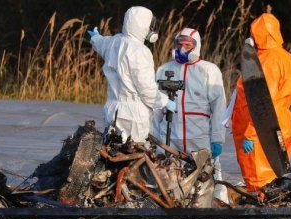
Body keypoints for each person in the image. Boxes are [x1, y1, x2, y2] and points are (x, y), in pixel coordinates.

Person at [152, 27, 227, 203]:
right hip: (170, 137)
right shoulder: (164, 70)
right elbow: (154, 108)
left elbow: (219, 107)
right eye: (180, 44)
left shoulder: (209, 70)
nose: (183, 48)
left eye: (188, 44)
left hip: (199, 136)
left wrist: (217, 138)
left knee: (209, 176)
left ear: (197, 46)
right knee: (166, 179)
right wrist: (153, 138)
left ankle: (221, 211)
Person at [231, 13, 291, 194]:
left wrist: (251, 134)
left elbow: (261, 102)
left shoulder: (266, 61)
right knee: (277, 176)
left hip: (261, 132)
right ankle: (277, 209)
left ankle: (263, 217)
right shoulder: (288, 59)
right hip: (281, 125)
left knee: (259, 181)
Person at [88, 6, 176, 143]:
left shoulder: (114, 41)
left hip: (112, 111)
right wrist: (165, 101)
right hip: (133, 115)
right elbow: (146, 89)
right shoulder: (140, 51)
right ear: (144, 26)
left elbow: (101, 43)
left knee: (112, 153)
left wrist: (95, 38)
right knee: (135, 156)